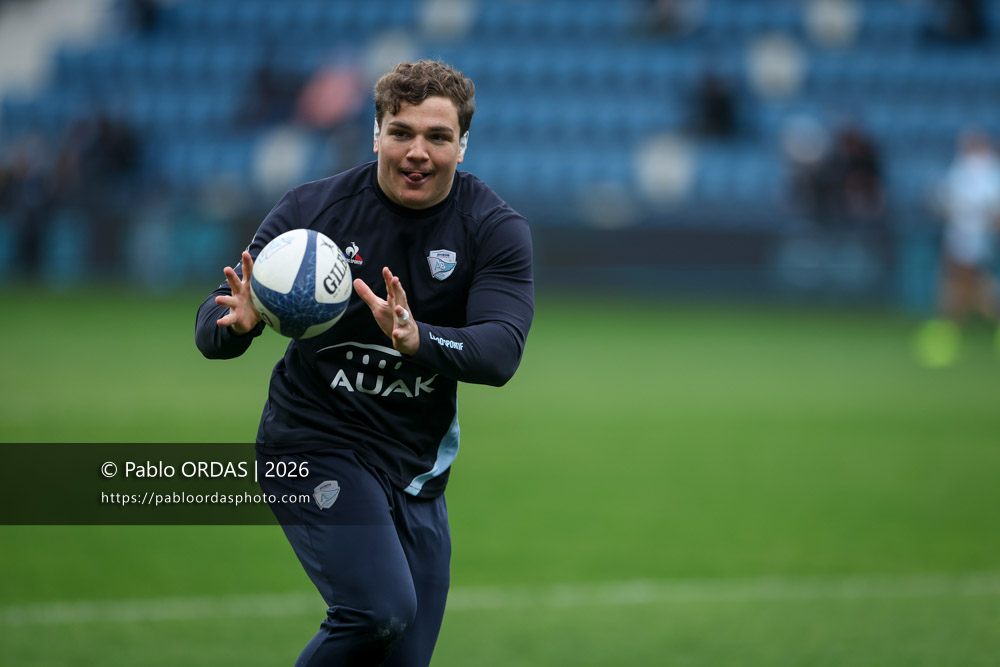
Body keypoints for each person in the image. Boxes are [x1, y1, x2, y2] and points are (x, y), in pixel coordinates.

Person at [195, 60, 534, 666]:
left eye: (437, 137)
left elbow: (501, 351)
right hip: (311, 444)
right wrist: (238, 326)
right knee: (377, 612)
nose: (417, 152)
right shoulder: (312, 212)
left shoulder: (492, 228)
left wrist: (418, 340)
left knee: (403, 656)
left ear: (463, 145)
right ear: (375, 134)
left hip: (416, 471)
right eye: (401, 132)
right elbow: (209, 327)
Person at [914, 129, 1000, 366]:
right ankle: (950, 330)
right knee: (964, 285)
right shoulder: (966, 167)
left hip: (971, 238)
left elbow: (990, 211)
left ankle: (949, 331)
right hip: (962, 237)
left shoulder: (985, 169)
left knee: (963, 285)